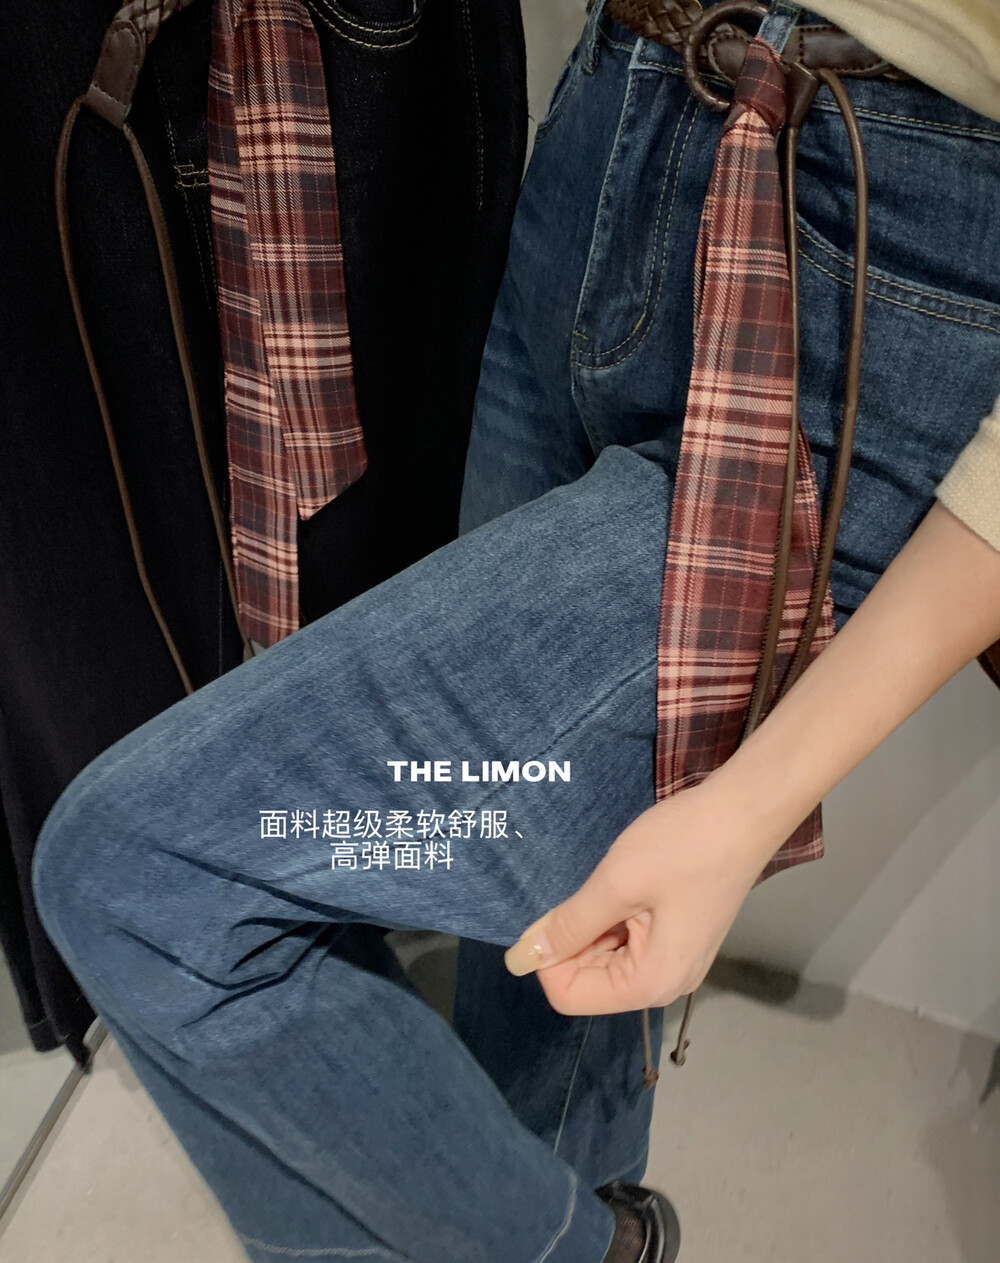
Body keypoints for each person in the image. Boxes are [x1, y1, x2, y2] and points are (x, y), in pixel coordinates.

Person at [30, 2, 1000, 1261]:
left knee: (139, 877)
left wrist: (753, 800)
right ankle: (582, 1219)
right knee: (530, 888)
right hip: (609, 131)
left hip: (877, 244)